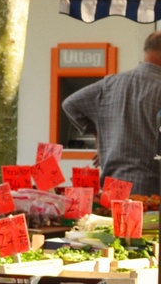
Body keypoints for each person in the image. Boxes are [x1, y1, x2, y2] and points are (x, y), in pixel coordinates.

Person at [63, 31, 161, 195]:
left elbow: (70, 104)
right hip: (150, 190)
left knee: (115, 221)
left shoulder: (110, 83)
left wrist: (97, 137)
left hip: (112, 186)